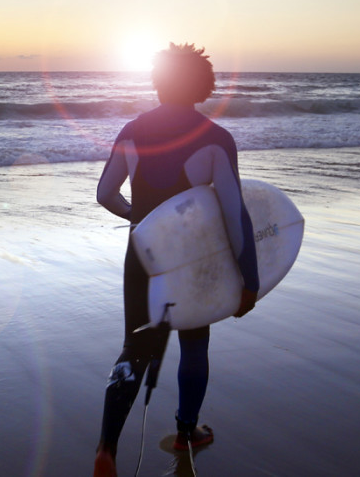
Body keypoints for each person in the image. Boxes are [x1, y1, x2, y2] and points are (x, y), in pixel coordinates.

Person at [93, 43, 260, 476]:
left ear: (159, 80)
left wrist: (138, 217)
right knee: (194, 342)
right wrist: (250, 278)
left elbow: (104, 194)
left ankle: (107, 448)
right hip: (191, 259)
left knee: (135, 345)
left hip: (141, 254)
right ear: (203, 86)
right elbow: (233, 213)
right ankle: (187, 431)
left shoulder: (131, 130)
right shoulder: (216, 139)